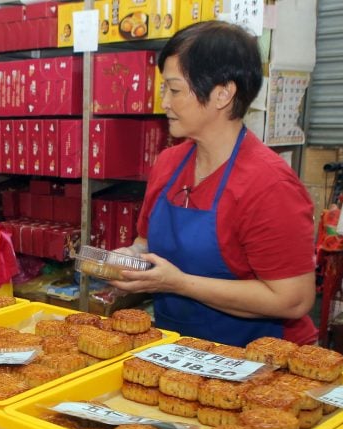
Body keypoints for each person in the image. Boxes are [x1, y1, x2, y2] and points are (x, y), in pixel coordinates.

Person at [111, 21, 316, 347]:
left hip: (262, 363)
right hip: (181, 350)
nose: (164, 101)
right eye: (164, 88)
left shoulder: (269, 184)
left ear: (223, 94)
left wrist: (178, 283)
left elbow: (292, 299)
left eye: (174, 90)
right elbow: (145, 240)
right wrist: (131, 257)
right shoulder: (168, 164)